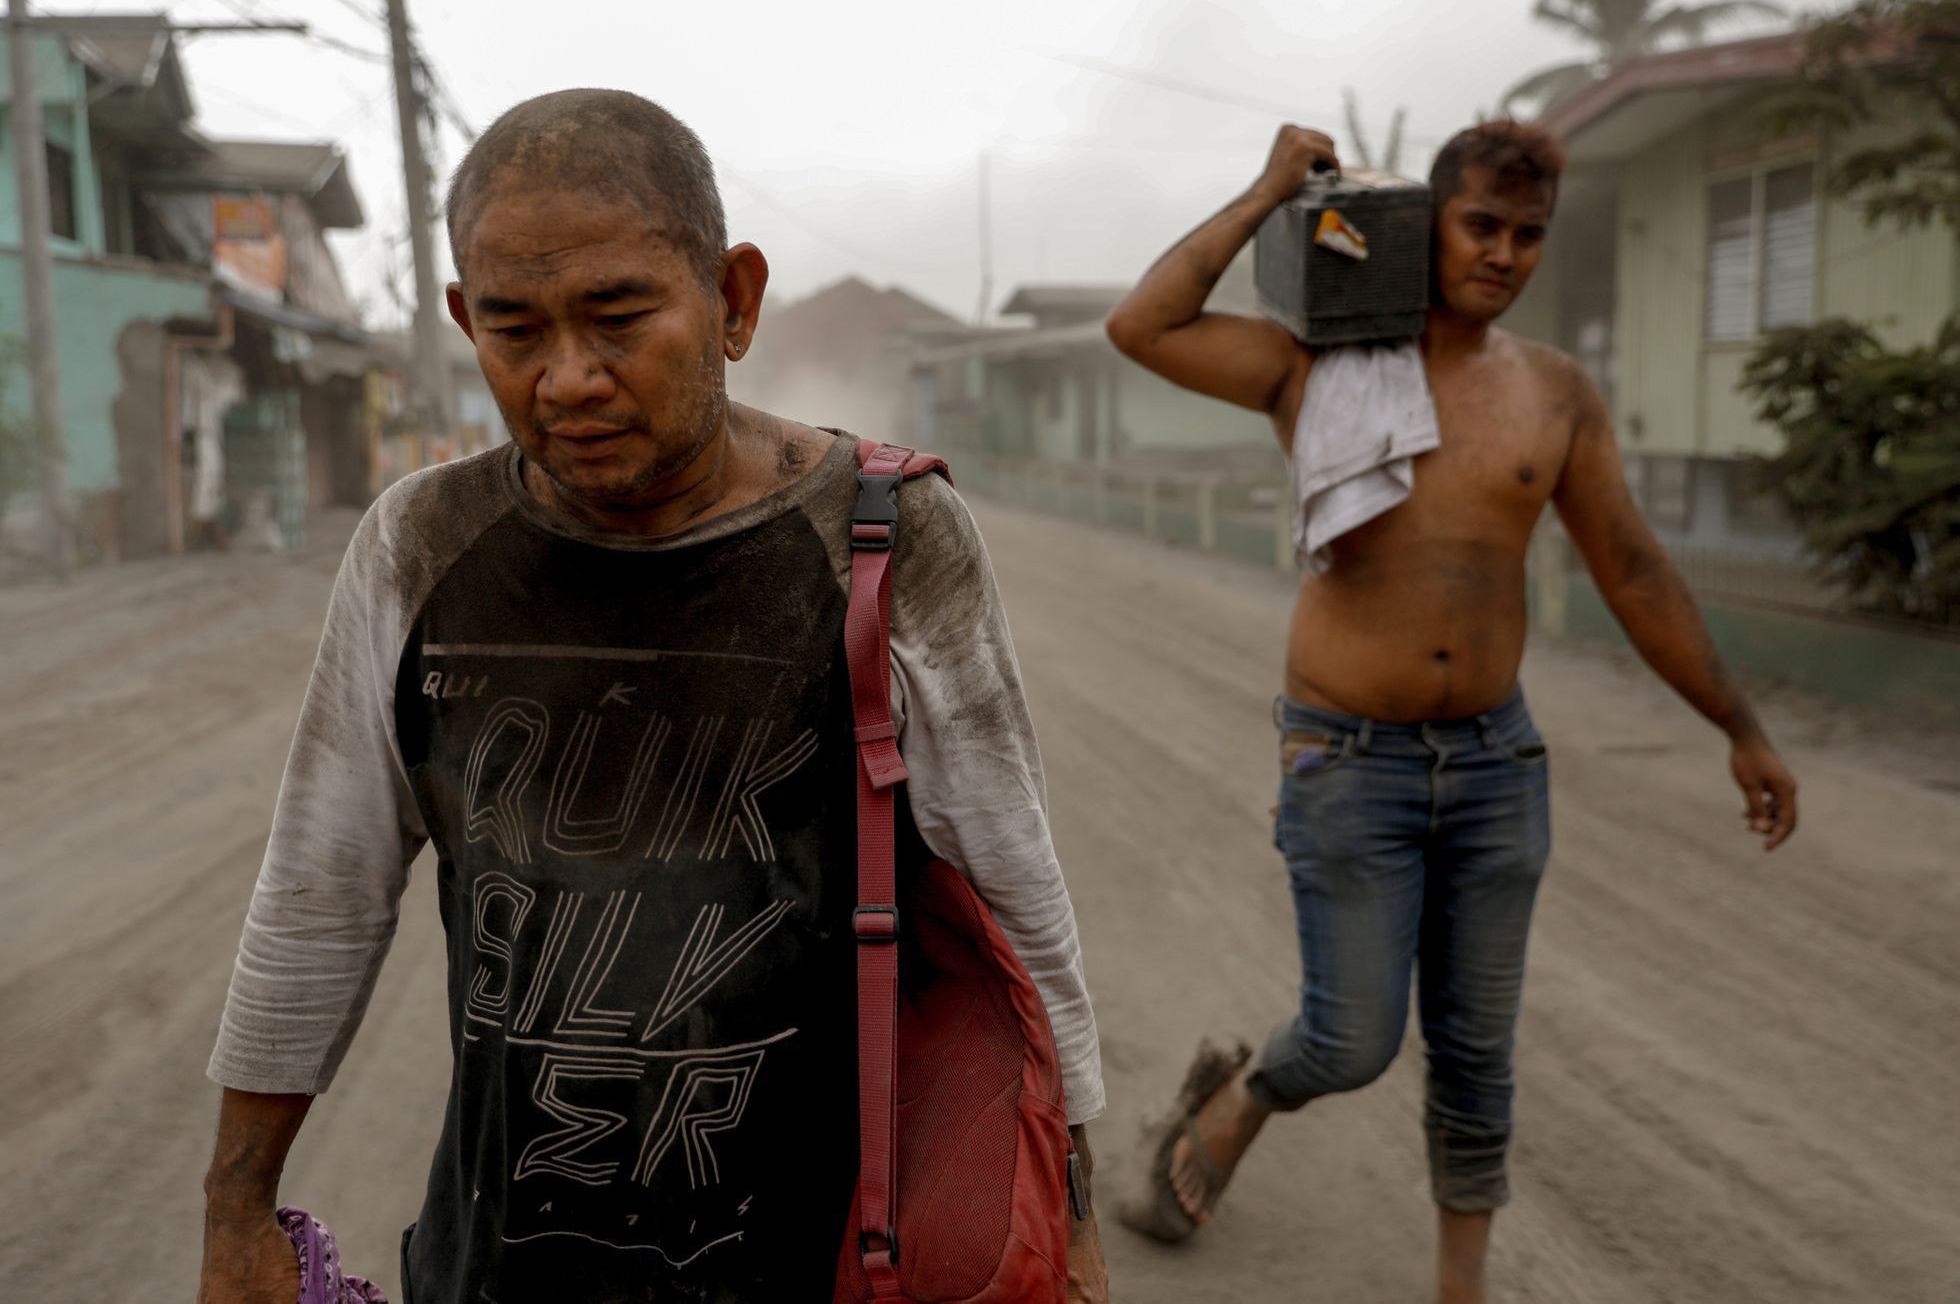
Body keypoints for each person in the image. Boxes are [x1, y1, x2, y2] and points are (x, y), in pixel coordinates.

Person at [196, 89, 1108, 1304]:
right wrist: (236, 1209)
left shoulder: (884, 537)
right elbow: (319, 894)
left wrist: (1072, 1218)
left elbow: (1013, 900)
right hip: (499, 1262)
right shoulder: (422, 543)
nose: (568, 377)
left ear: (732, 301)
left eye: (618, 316)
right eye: (514, 330)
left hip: (815, 1253)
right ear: (466, 320)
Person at [1104, 120, 1798, 1304]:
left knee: (1476, 1055)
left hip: (1494, 763)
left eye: (1529, 236)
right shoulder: (1314, 366)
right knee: (1351, 1039)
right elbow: (1142, 327)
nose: (1504, 254)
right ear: (1429, 224)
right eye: (1481, 226)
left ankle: (1458, 1292)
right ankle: (1236, 1097)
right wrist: (1270, 189)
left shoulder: (1553, 394)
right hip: (1345, 759)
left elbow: (1633, 571)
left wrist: (1738, 723)